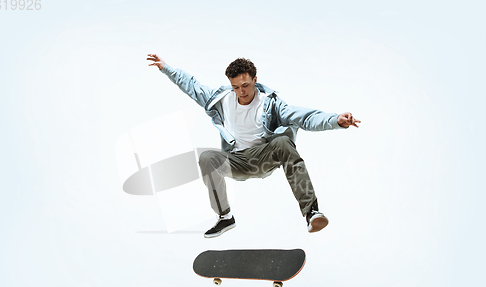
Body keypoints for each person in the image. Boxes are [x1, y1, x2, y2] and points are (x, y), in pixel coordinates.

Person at [147, 54, 361, 238]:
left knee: (283, 142)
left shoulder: (271, 103)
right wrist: (167, 68)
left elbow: (303, 117)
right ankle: (225, 217)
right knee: (207, 158)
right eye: (236, 87)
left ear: (255, 79)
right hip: (237, 160)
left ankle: (311, 213)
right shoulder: (221, 99)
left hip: (264, 157)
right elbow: (192, 86)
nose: (241, 92)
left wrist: (335, 120)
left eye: (246, 85)